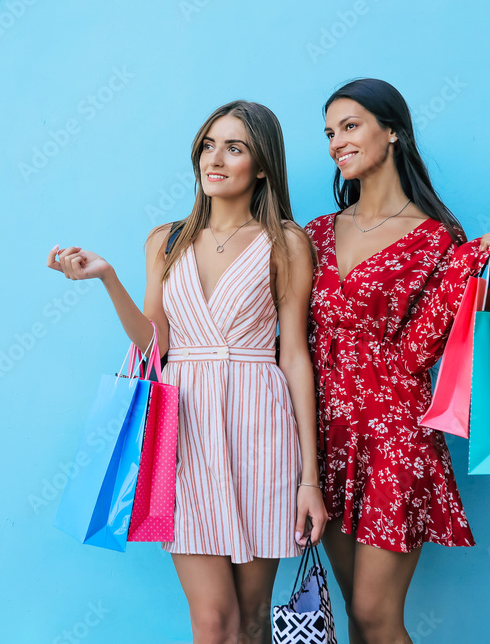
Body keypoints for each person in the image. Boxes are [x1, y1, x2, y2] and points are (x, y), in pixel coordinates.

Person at [47, 100, 328, 644]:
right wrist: (107, 278)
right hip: (185, 434)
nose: (214, 158)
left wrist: (309, 480)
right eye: (208, 145)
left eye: (234, 147)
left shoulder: (287, 242)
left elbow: (294, 355)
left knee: (252, 621)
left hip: (262, 432)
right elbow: (156, 343)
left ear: (263, 166)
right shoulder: (166, 240)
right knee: (212, 621)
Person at [305, 78, 490, 644]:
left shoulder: (438, 240)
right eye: (329, 133)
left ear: (392, 130)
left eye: (350, 126)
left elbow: (420, 354)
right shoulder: (315, 234)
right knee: (355, 618)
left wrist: (473, 271)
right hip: (325, 438)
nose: (336, 143)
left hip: (395, 434)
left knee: (376, 617)